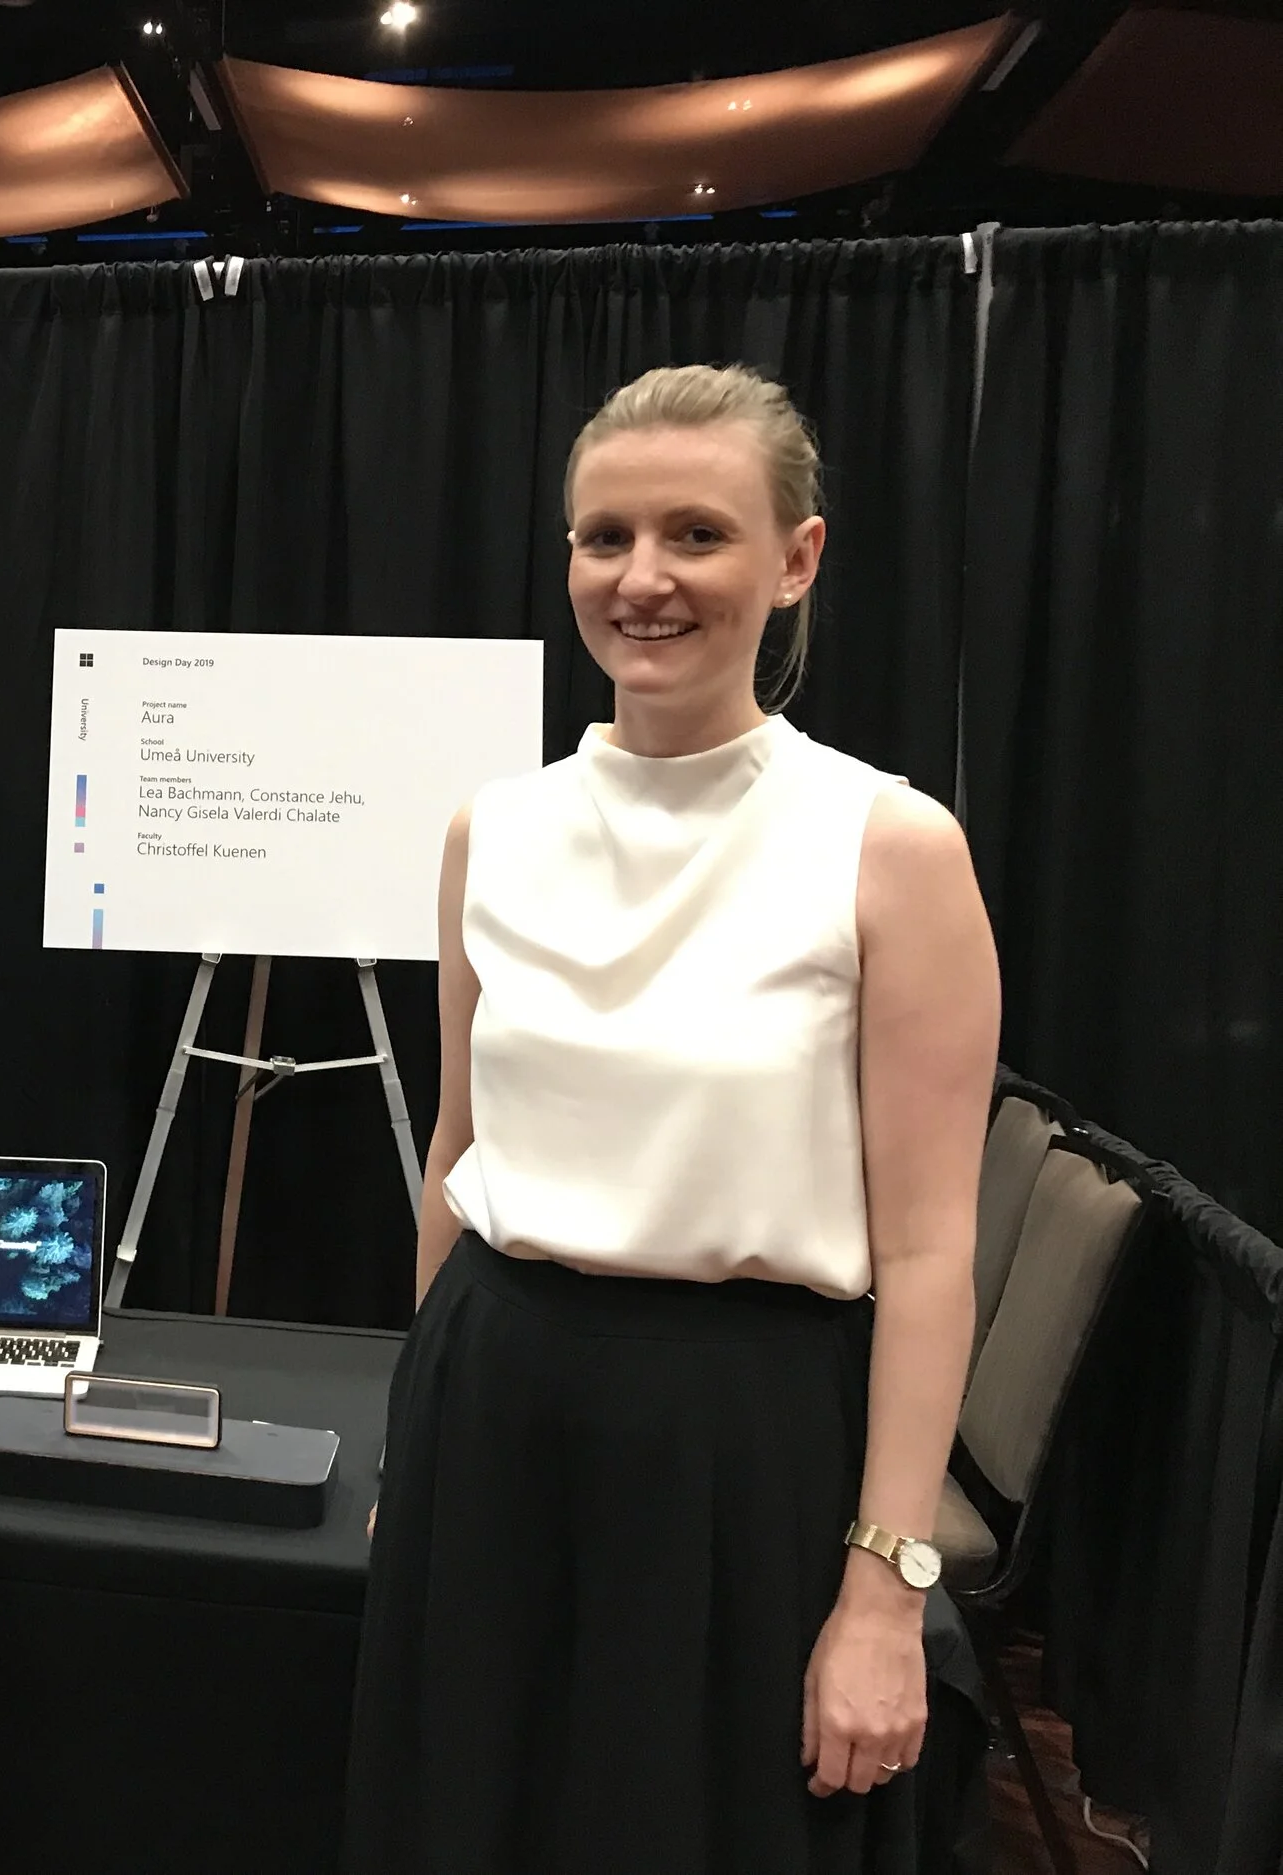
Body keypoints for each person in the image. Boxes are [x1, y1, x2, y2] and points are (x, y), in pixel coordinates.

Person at [344, 364, 1000, 1874]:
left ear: (796, 560)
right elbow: (454, 1158)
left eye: (697, 534)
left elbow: (931, 1244)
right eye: (604, 536)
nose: (642, 578)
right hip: (489, 1402)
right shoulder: (488, 832)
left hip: (741, 1446)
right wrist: (413, 1454)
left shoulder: (888, 846)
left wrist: (888, 1590)